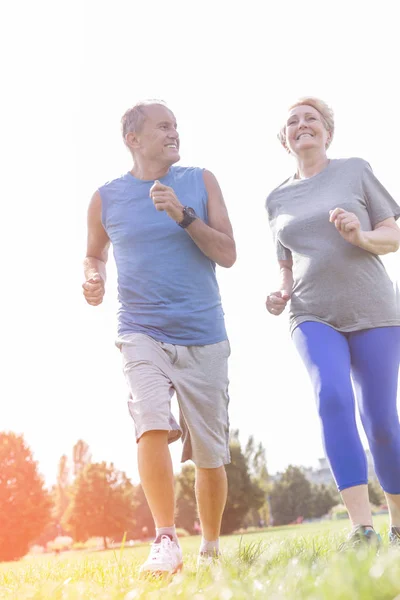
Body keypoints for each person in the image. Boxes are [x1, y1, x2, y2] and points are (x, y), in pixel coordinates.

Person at [83, 100, 236, 573]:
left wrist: (185, 216)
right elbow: (93, 254)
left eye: (176, 126)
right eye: (163, 126)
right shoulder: (105, 198)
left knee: (210, 456)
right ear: (133, 138)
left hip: (203, 332)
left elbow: (229, 254)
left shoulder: (200, 180)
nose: (174, 133)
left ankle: (209, 546)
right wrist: (93, 278)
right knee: (149, 418)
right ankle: (166, 540)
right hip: (140, 329)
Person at [265, 97, 400, 549]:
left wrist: (360, 235)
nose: (302, 125)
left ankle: (397, 522)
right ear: (285, 139)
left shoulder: (355, 170)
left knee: (381, 421)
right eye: (293, 121)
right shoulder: (276, 198)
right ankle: (362, 529)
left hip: (373, 309)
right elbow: (285, 261)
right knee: (332, 397)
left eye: (311, 119)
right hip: (311, 312)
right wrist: (281, 291)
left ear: (327, 132)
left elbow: (393, 233)